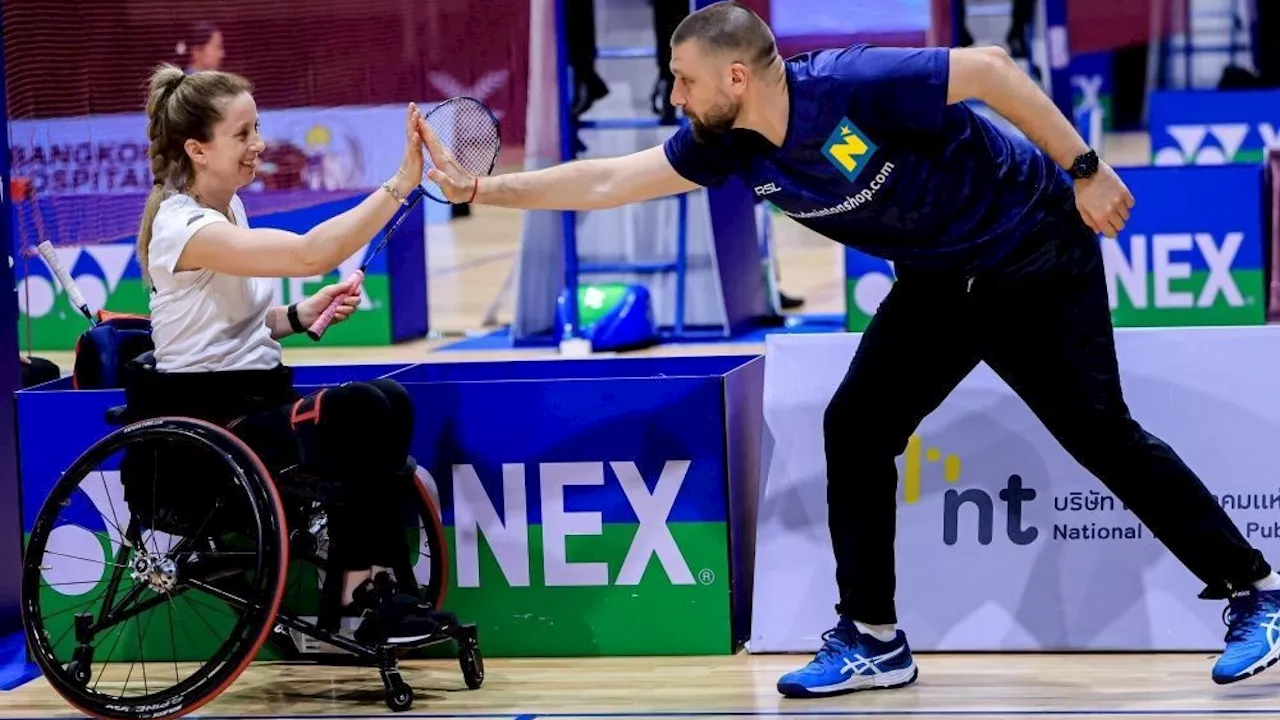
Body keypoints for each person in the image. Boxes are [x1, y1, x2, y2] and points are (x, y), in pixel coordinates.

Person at [420, 0, 1280, 697]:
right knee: (857, 426)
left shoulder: (854, 83)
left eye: (683, 81)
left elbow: (990, 71)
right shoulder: (723, 144)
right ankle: (872, 636)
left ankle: (1256, 593)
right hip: (942, 284)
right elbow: (609, 178)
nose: (674, 99)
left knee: (1101, 435)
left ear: (733, 74)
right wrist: (484, 189)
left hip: (1031, 252)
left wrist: (1084, 167)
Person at [134, 63, 442, 646]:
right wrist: (401, 183)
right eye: (243, 133)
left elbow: (237, 325)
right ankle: (360, 597)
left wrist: (300, 316)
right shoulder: (184, 227)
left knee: (390, 399)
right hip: (215, 423)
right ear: (197, 149)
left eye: (258, 128)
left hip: (256, 398)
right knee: (361, 409)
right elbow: (306, 254)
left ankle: (369, 585)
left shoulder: (230, 210)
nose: (260, 144)